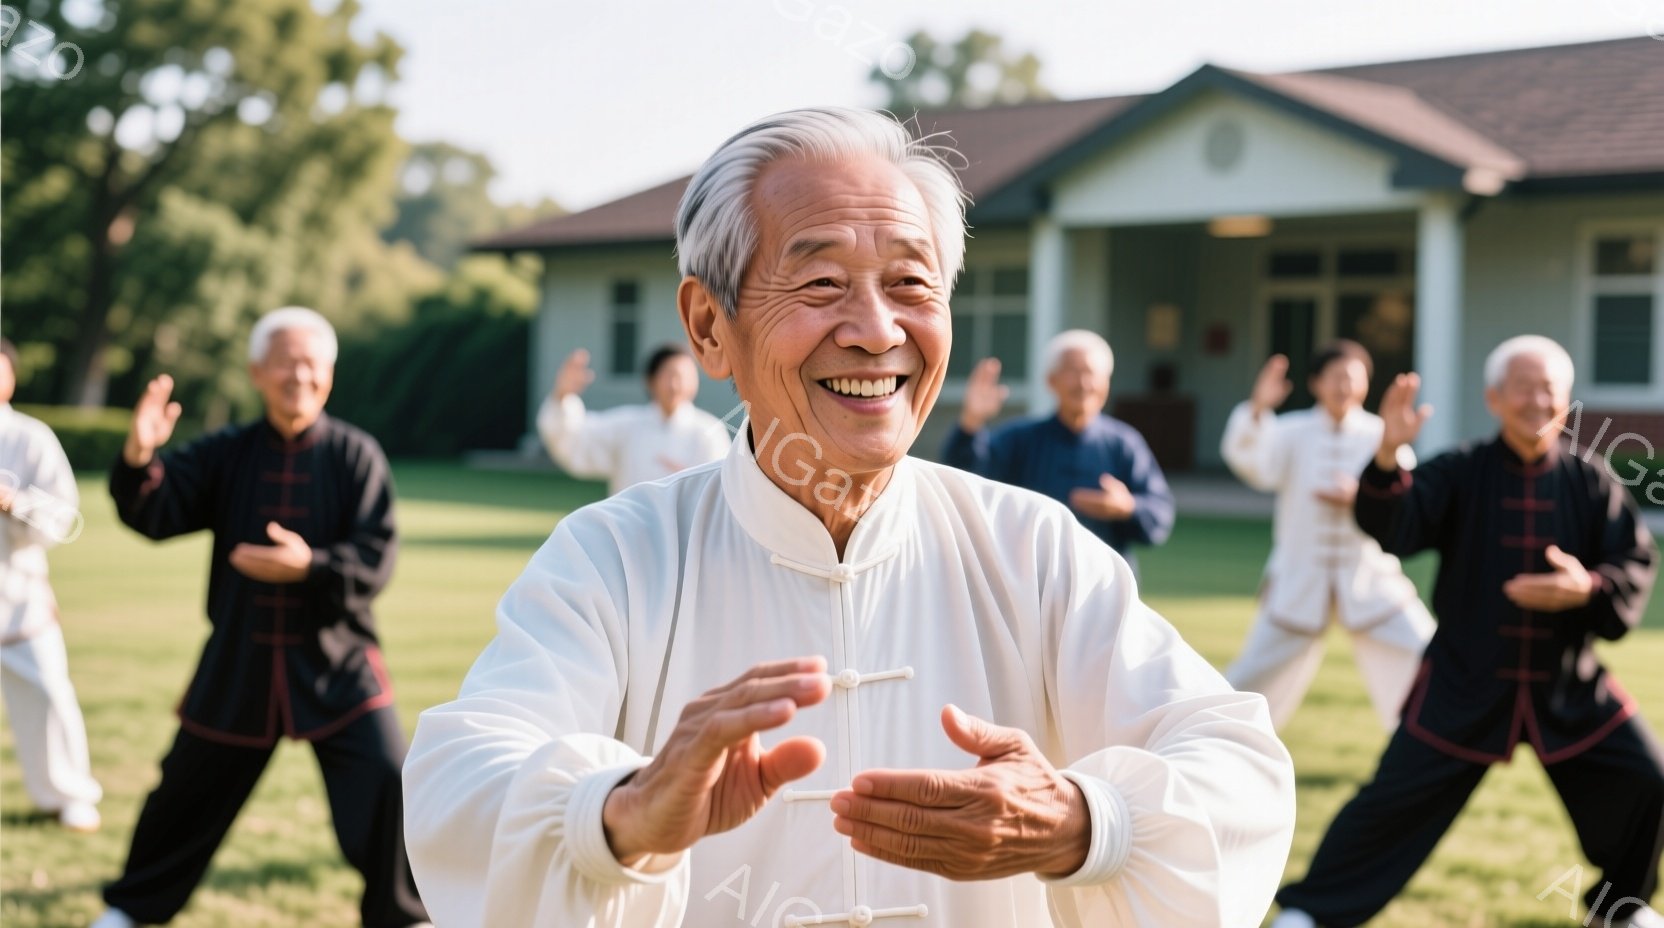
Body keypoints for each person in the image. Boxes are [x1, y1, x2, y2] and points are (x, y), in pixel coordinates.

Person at [403, 106, 1294, 928]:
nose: (876, 330)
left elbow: (1238, 763)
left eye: (911, 282)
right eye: (822, 282)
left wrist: (1083, 824)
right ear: (709, 326)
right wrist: (621, 812)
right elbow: (460, 779)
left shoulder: (1032, 548)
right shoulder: (615, 559)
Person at [1273, 335, 1662, 928]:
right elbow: (1394, 524)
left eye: (1550, 389)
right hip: (1463, 682)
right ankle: (1310, 912)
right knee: (1389, 804)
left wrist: (1587, 588)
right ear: (1494, 398)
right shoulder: (1460, 470)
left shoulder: (1592, 481)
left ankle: (1621, 911)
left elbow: (1631, 563)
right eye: (1523, 388)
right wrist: (1385, 458)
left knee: (1647, 781)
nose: (1538, 400)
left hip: (1567, 687)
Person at [96, 308, 428, 928]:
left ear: (328, 374)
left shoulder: (357, 456)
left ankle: (405, 918)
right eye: (284, 361)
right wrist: (140, 457)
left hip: (339, 665)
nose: (297, 375)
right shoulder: (227, 453)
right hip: (239, 664)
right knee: (182, 793)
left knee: (388, 783)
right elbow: (157, 510)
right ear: (257, 372)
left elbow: (375, 558)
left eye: (311, 363)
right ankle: (129, 913)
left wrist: (312, 566)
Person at [1221, 342, 1434, 730]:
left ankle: (1426, 739)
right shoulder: (1291, 431)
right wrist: (1257, 409)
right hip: (1298, 579)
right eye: (1335, 377)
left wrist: (1362, 497)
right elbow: (1252, 464)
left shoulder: (1381, 434)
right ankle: (1219, 741)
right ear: (1316, 383)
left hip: (1370, 581)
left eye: (1354, 378)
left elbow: (1403, 496)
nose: (1344, 386)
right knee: (1251, 676)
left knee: (1424, 655)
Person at [941, 332, 1175, 572]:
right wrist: (972, 421)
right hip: (1031, 582)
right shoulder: (1020, 439)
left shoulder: (1124, 443)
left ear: (1107, 382)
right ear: (1051, 380)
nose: (1084, 384)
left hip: (1105, 583)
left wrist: (1127, 507)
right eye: (1073, 372)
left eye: (1092, 373)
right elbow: (965, 481)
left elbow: (1159, 515)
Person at [0, 338, 103, 833]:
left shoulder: (29, 438)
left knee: (47, 694)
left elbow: (64, 519)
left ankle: (67, 794)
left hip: (17, 598)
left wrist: (13, 502)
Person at [537, 342, 729, 495]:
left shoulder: (709, 431)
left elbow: (722, 488)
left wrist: (691, 483)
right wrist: (562, 396)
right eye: (669, 375)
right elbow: (575, 440)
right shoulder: (627, 426)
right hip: (630, 535)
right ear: (650, 380)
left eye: (684, 376)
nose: (675, 384)